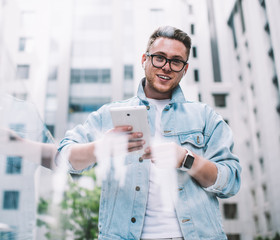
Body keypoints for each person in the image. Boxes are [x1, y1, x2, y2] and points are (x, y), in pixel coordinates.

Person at [57, 26, 241, 240]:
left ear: (185, 69)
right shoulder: (108, 115)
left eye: (176, 61)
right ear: (144, 59)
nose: (167, 67)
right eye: (159, 58)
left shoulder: (205, 116)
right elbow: (64, 158)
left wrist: (187, 160)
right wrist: (99, 148)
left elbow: (231, 182)